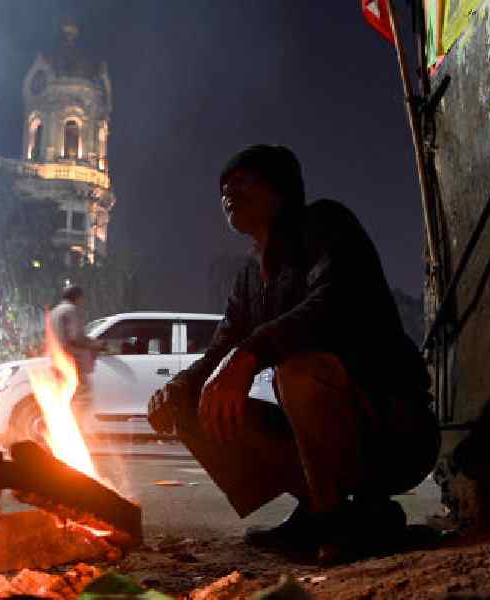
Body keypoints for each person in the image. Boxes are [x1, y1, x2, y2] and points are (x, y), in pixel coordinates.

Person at [147, 145, 440, 564]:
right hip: (321, 435)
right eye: (223, 188)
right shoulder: (249, 277)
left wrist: (250, 354)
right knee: (191, 404)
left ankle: (343, 520)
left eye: (243, 181)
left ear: (280, 190)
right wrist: (178, 387)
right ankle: (320, 510)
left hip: (393, 427)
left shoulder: (325, 225)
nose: (228, 190)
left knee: (298, 370)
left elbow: (334, 300)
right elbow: (220, 348)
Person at [50, 286, 106, 426]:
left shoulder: (55, 312)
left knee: (63, 398)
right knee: (81, 399)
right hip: (73, 362)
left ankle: (62, 428)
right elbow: (76, 337)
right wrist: (96, 344)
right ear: (78, 297)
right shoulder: (70, 310)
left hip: (58, 361)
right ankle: (75, 429)